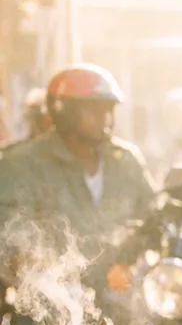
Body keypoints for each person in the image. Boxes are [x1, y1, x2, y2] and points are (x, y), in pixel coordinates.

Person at [0, 64, 155, 289]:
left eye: (108, 110)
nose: (105, 119)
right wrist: (42, 271)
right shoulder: (22, 163)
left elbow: (151, 217)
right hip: (48, 303)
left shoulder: (126, 160)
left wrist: (128, 261)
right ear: (63, 111)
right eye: (94, 110)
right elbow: (8, 234)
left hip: (121, 295)